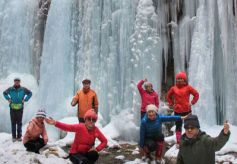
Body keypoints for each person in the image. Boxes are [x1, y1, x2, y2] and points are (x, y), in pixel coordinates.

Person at [166, 72, 199, 145]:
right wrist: (172, 104)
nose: (179, 80)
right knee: (178, 126)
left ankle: (191, 138)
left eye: (181, 78)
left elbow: (196, 94)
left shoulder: (188, 87)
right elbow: (168, 96)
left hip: (187, 110)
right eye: (178, 79)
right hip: (177, 111)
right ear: (176, 80)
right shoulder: (173, 88)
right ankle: (179, 141)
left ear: (184, 80)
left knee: (190, 125)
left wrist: (192, 102)